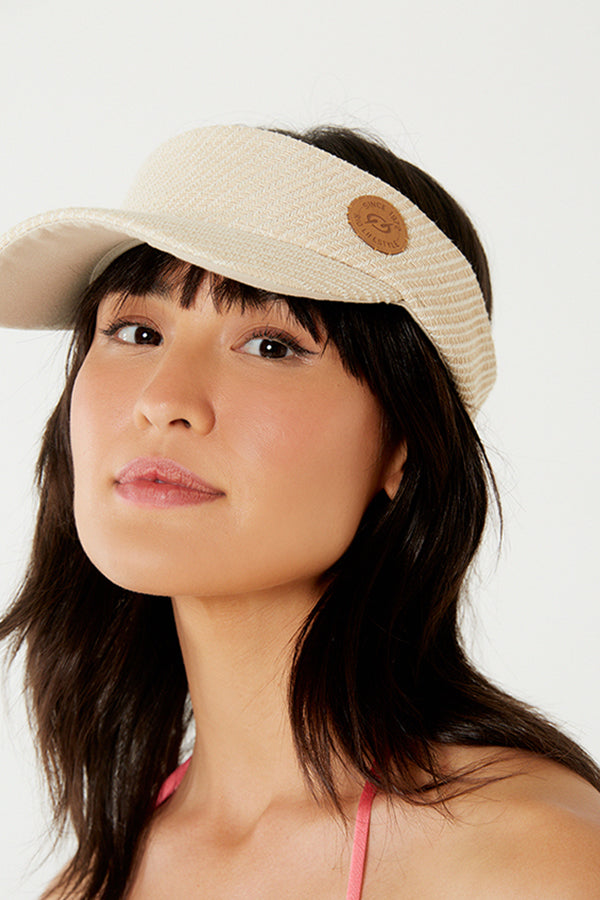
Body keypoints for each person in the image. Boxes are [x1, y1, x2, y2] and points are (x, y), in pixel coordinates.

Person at [0, 123, 599, 900]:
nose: (163, 399)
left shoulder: (528, 860)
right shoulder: (91, 883)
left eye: (271, 346)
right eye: (136, 331)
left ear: (402, 446)